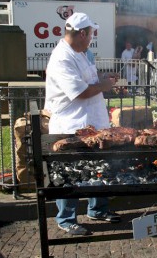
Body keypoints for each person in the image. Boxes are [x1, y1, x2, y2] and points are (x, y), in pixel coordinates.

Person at [44, 12, 121, 236]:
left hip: (94, 123)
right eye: (91, 34)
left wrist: (105, 79)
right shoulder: (61, 58)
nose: (92, 38)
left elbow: (90, 81)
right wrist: (104, 87)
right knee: (70, 172)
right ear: (81, 33)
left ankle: (97, 209)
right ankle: (66, 219)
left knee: (100, 168)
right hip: (72, 125)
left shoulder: (83, 53)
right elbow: (81, 92)